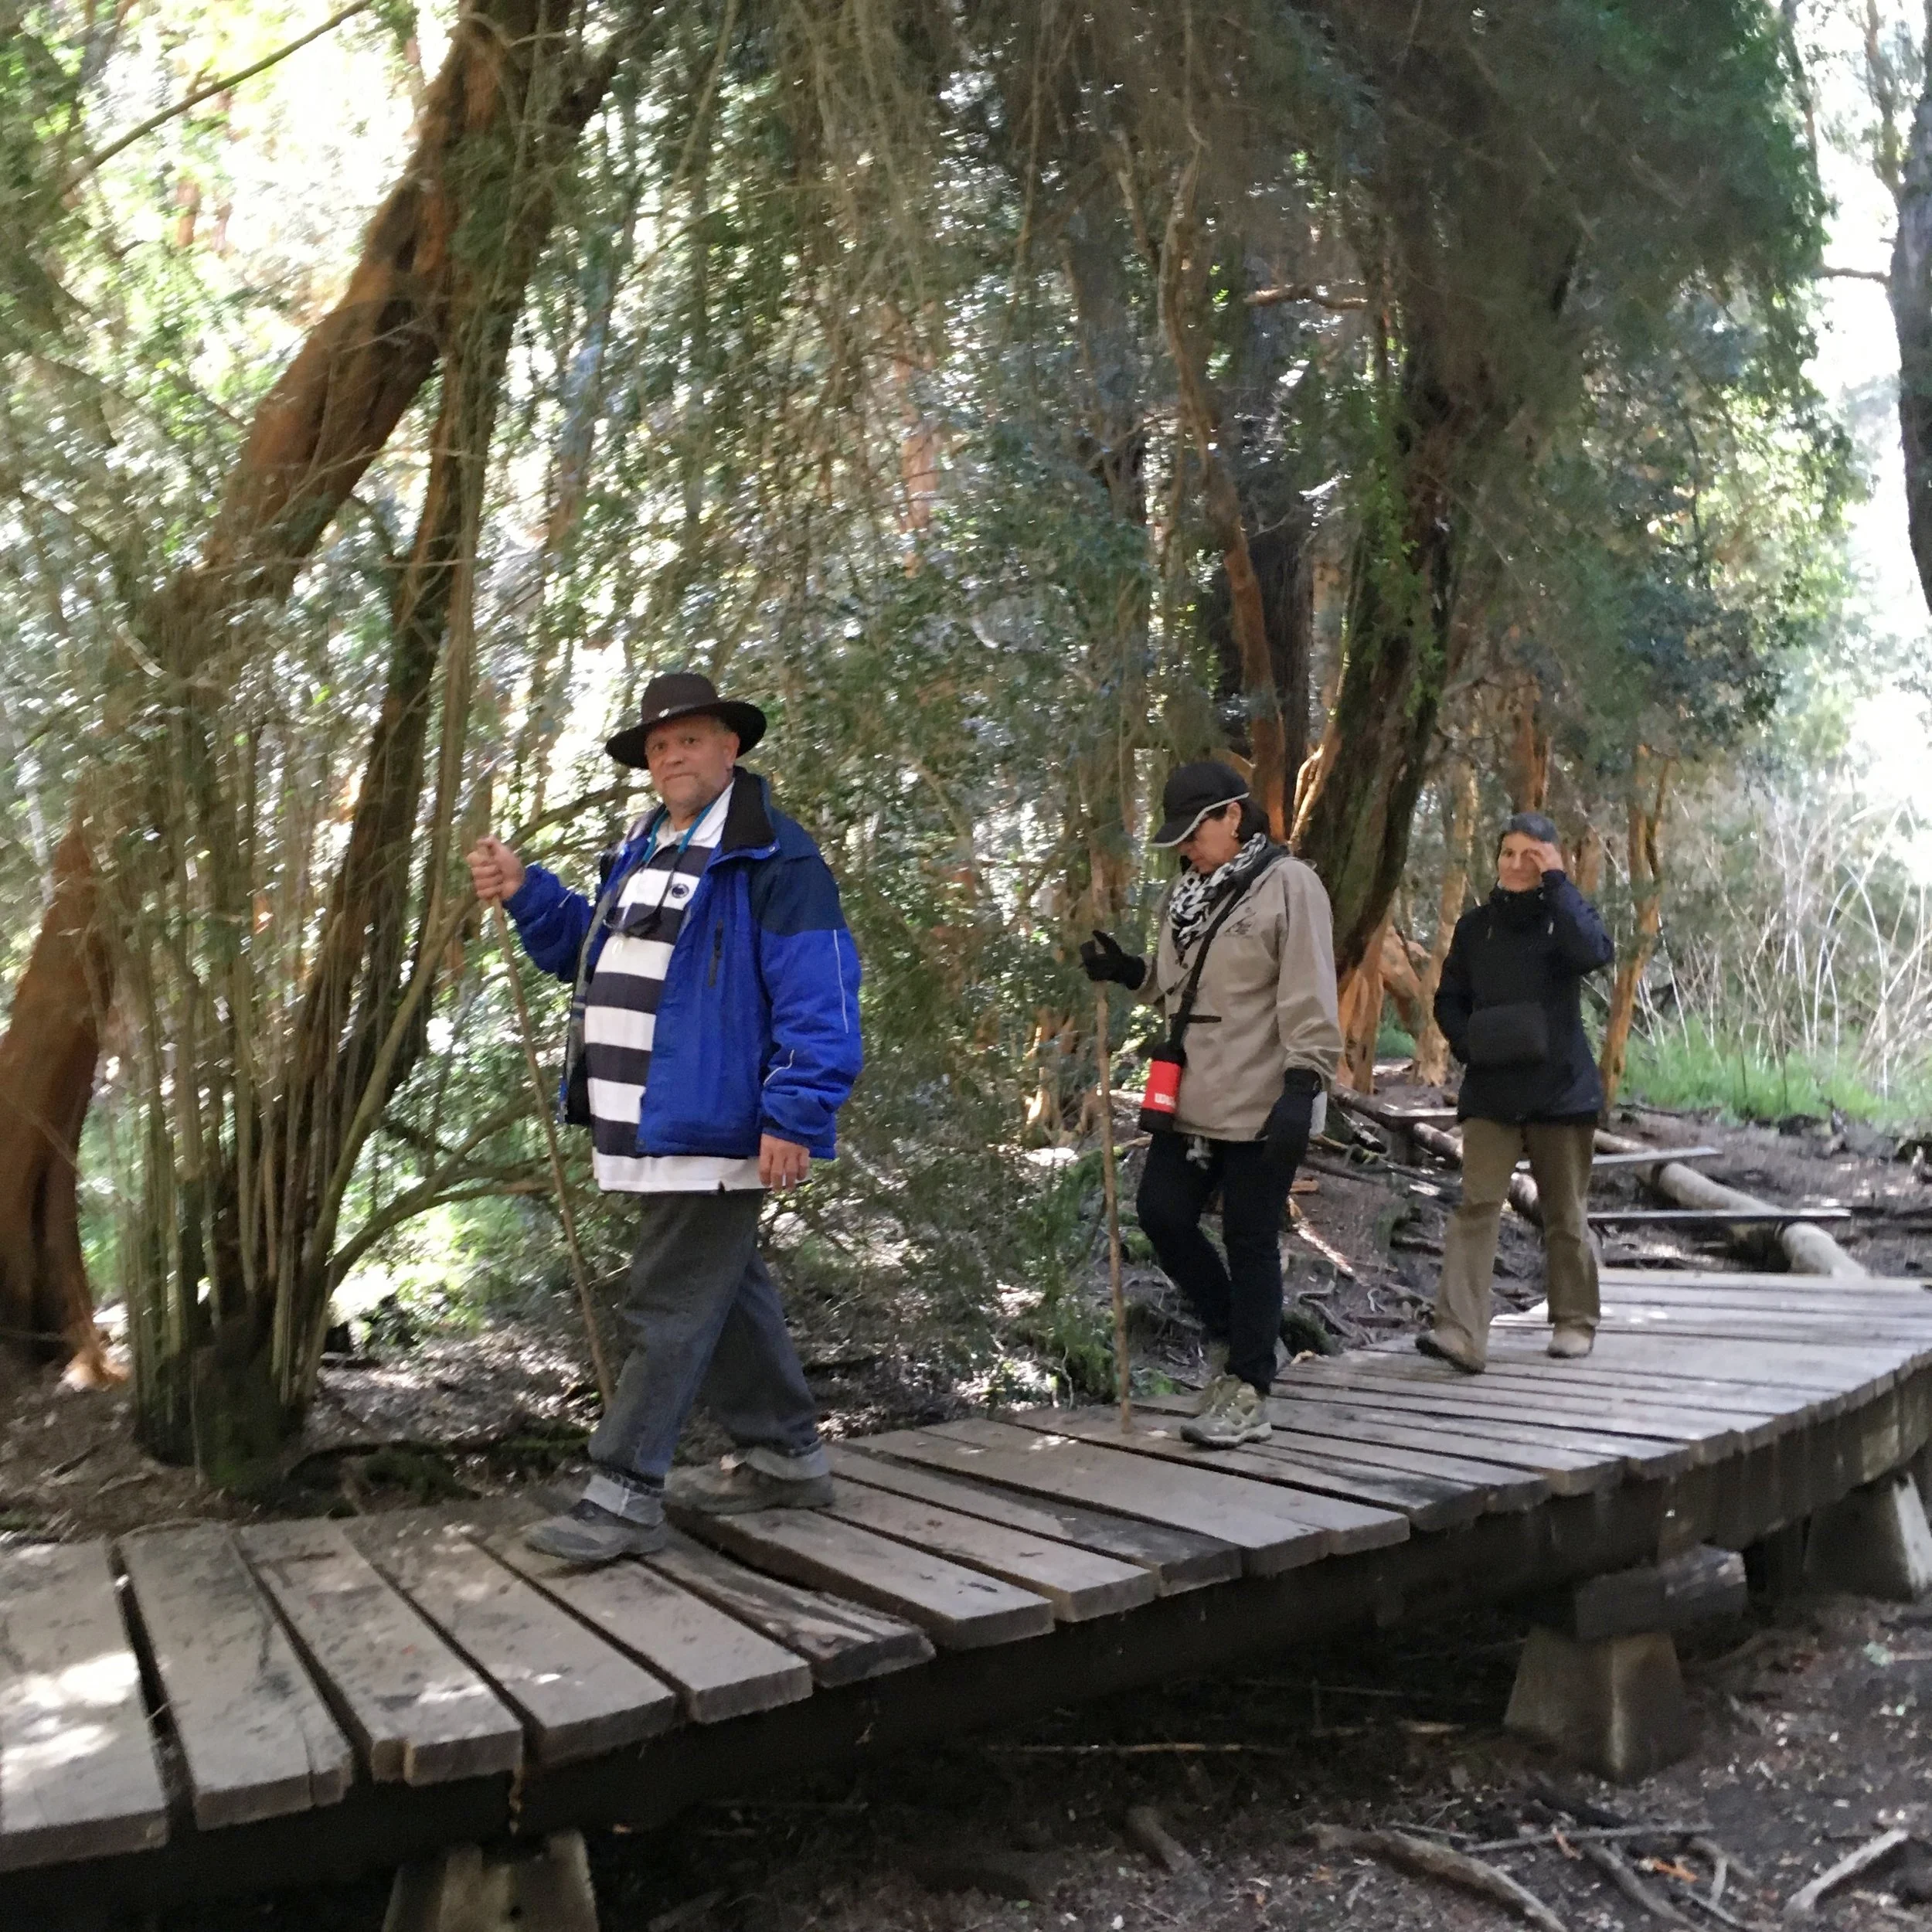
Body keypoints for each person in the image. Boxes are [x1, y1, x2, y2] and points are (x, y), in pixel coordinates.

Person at [467, 670, 862, 1563]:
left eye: (688, 738)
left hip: (713, 1119)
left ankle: (622, 1491)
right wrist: (528, 889)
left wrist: (795, 1110)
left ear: (730, 747)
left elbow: (820, 995)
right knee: (720, 1290)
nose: (671, 755)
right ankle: (787, 1455)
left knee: (669, 1300)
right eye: (657, 745)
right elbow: (585, 952)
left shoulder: (775, 857)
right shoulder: (644, 848)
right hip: (640, 1116)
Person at [1081, 760, 1343, 1449]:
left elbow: (1312, 992)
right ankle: (1241, 1336)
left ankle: (1251, 1389)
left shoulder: (1291, 885)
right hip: (1192, 1093)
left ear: (1233, 814)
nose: (1187, 849)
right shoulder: (1187, 893)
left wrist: (1304, 1085)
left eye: (1195, 832)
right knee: (1162, 1214)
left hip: (1264, 1094)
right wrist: (1128, 971)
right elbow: (1180, 992)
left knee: (1251, 1236)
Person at [1421, 809, 1615, 1372]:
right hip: (1491, 1091)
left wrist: (1558, 883)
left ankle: (1575, 1321)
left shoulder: (1564, 921)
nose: (1515, 864)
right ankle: (1460, 1333)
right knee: (1476, 1204)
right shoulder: (1476, 928)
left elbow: (1596, 953)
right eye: (1508, 853)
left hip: (1562, 1092)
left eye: (1530, 855)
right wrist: (1468, 1041)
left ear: (1551, 861)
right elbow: (1447, 1000)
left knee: (1565, 1210)